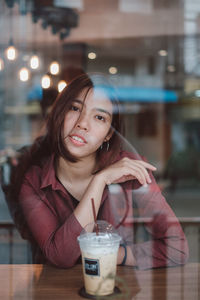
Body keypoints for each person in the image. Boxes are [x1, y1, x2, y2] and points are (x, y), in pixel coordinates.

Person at [9, 73, 189, 270]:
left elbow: (177, 249)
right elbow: (60, 256)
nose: (83, 124)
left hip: (117, 289)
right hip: (54, 292)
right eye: (75, 108)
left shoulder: (130, 169)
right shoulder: (34, 180)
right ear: (60, 113)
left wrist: (112, 254)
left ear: (108, 134)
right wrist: (100, 181)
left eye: (99, 117)